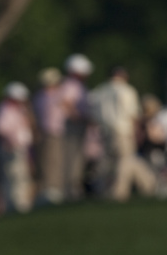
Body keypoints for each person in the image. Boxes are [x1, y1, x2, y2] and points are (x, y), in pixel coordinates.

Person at [89, 66, 155, 201]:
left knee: (111, 162)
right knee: (125, 161)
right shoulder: (127, 90)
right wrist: (136, 132)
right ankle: (120, 192)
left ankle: (148, 185)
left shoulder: (100, 91)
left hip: (105, 131)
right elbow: (132, 114)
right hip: (122, 131)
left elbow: (94, 115)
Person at [0, 82, 35, 214]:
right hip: (12, 149)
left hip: (19, 149)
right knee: (15, 178)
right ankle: (16, 205)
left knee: (20, 177)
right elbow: (0, 128)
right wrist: (11, 141)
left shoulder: (16, 110)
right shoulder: (6, 109)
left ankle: (19, 204)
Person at [59, 54, 93, 200]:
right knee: (71, 158)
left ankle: (75, 187)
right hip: (73, 125)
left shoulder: (79, 86)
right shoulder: (69, 84)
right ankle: (70, 190)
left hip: (79, 125)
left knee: (78, 158)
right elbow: (66, 103)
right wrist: (77, 117)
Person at [33, 67, 66, 204]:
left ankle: (54, 188)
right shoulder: (49, 96)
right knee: (51, 162)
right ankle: (52, 189)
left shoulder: (42, 96)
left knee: (53, 161)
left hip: (52, 132)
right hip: (51, 132)